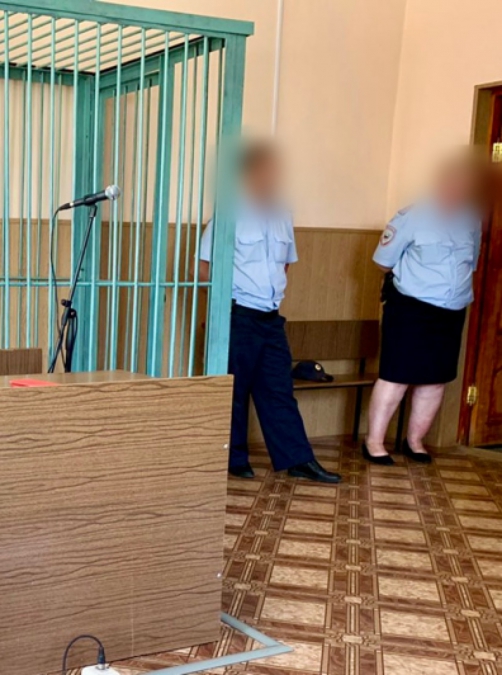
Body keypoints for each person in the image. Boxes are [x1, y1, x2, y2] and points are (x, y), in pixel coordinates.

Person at [199, 141, 340, 483]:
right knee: (234, 390)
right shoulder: (229, 214)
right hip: (237, 316)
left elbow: (285, 264)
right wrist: (225, 305)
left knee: (279, 389)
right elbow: (203, 267)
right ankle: (233, 458)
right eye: (264, 170)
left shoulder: (283, 214)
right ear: (248, 174)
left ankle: (298, 459)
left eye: (275, 171)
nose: (271, 177)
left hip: (270, 318)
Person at [364, 152, 485, 464]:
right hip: (411, 308)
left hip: (452, 310)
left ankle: (415, 442)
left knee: (435, 378)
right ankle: (374, 443)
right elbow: (382, 262)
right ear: (442, 182)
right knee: (396, 376)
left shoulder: (471, 219)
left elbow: (470, 263)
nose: (459, 188)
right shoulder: (413, 216)